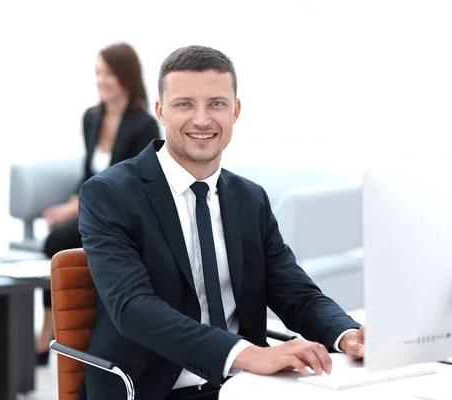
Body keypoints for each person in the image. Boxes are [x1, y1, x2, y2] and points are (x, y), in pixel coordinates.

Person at [77, 45, 365, 400]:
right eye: (184, 104)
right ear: (160, 111)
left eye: (216, 103)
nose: (202, 119)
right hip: (150, 389)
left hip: (246, 388)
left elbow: (296, 294)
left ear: (235, 111)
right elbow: (134, 309)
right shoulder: (110, 194)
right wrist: (248, 354)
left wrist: (347, 334)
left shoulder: (250, 199)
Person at [36, 43, 160, 365]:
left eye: (109, 73)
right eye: (98, 72)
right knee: (56, 237)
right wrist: (72, 202)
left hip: (122, 215)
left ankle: (50, 329)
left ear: (127, 77)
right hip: (92, 206)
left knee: (57, 240)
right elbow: (89, 173)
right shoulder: (92, 117)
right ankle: (53, 326)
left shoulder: (143, 124)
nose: (101, 80)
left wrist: (76, 208)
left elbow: (129, 186)